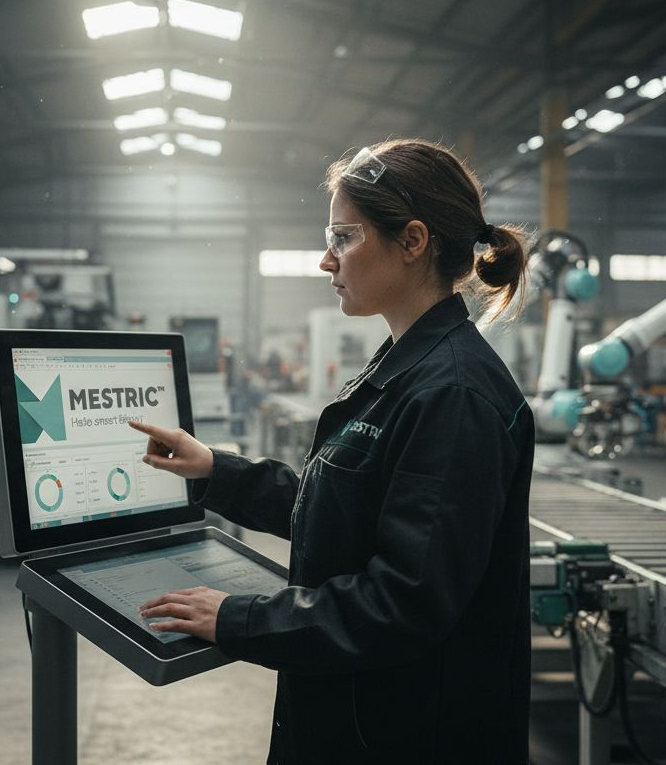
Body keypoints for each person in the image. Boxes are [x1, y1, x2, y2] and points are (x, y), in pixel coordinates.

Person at [131, 138, 534, 764]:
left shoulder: (452, 394)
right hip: (357, 718)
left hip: (405, 736)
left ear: (412, 241)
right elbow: (345, 507)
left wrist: (241, 619)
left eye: (343, 237)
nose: (326, 260)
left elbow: (404, 601)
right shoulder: (406, 367)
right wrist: (217, 472)